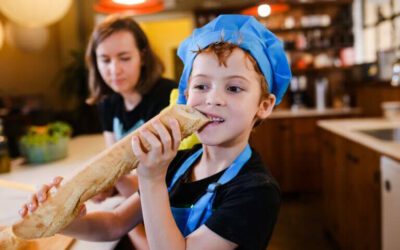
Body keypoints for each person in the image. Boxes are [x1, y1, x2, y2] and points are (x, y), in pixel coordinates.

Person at [20, 14, 291, 249]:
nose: (213, 99)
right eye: (201, 86)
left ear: (264, 105)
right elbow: (113, 225)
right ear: (185, 94)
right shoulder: (180, 162)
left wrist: (151, 179)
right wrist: (59, 219)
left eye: (233, 88)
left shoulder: (256, 191)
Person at [85, 14, 177, 199]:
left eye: (124, 58)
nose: (114, 69)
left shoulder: (169, 96)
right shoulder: (107, 103)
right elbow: (115, 164)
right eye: (105, 60)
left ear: (142, 57)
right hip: (133, 198)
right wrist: (105, 188)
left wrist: (115, 180)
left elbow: (174, 173)